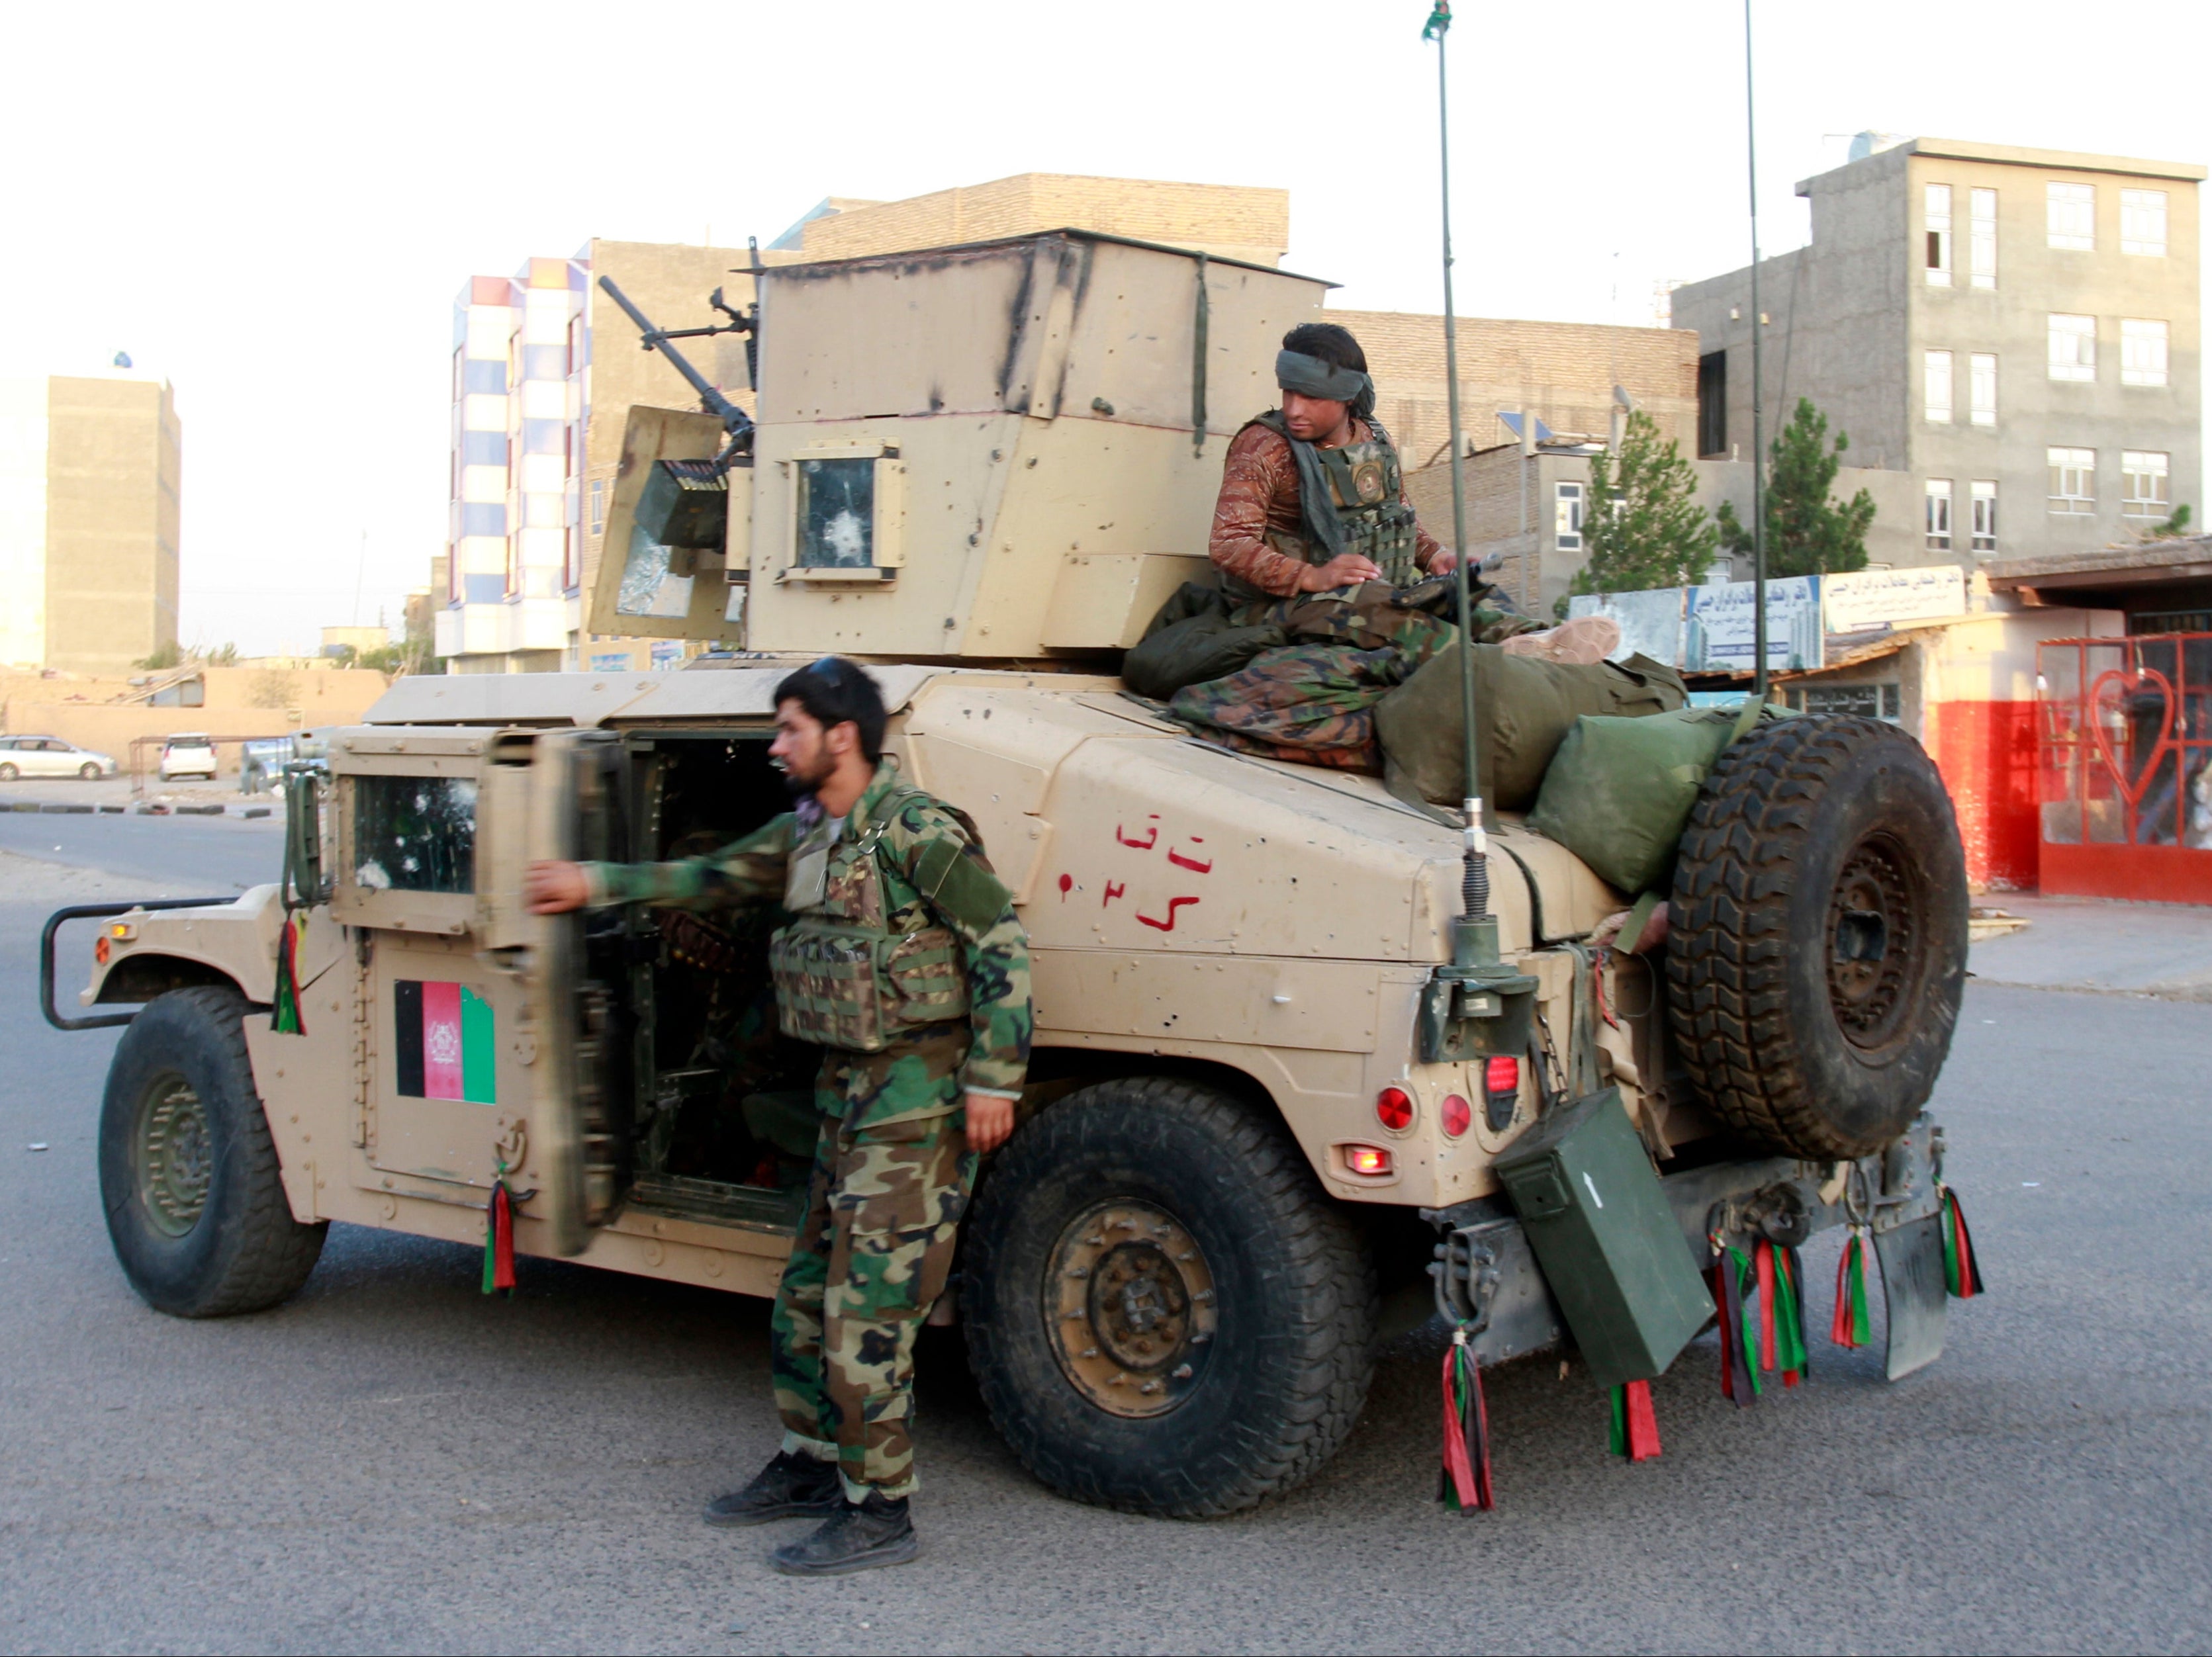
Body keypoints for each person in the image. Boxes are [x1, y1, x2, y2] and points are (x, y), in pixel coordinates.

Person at [525, 656, 1031, 1578]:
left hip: (913, 1109)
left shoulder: (915, 831)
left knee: (866, 1313)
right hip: (845, 1099)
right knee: (803, 1294)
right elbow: (710, 879)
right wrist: (593, 883)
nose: (775, 745)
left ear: (841, 737)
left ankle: (881, 1511)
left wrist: (993, 1080)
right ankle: (809, 1464)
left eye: (789, 728)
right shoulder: (807, 832)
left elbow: (998, 940)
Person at [1207, 320, 1541, 657]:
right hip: (1284, 602)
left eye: (1311, 397)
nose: (1294, 408)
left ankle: (1548, 644)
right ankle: (1490, 662)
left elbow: (1396, 518)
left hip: (1377, 587)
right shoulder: (1264, 446)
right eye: (1288, 392)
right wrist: (1312, 576)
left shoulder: (1375, 440)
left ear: (1347, 397)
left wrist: (1435, 557)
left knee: (1467, 594)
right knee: (1387, 615)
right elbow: (1228, 543)